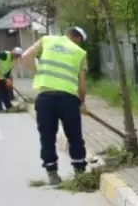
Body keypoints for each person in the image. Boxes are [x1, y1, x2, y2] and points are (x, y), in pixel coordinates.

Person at [19, 27, 88, 185]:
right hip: (68, 100)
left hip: (45, 99)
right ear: (78, 38)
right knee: (74, 136)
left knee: (47, 137)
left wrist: (39, 72)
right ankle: (80, 172)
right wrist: (82, 102)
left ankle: (52, 174)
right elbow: (82, 84)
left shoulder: (47, 40)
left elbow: (25, 56)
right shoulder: (79, 52)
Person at [0, 48, 21, 113]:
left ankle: (8, 106)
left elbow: (8, 69)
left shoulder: (12, 60)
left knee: (4, 90)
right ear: (13, 52)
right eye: (17, 55)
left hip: (1, 75)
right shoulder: (5, 54)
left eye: (18, 56)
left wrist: (8, 78)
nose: (17, 57)